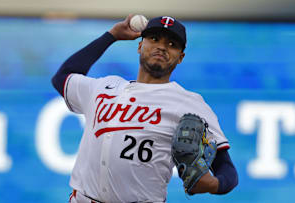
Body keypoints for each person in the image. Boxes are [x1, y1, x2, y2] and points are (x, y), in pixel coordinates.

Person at [52, 14, 238, 203]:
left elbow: (226, 168)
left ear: (180, 57)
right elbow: (62, 77)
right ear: (140, 45)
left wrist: (214, 185)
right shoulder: (105, 87)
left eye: (172, 44)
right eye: (154, 39)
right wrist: (111, 36)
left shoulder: (189, 103)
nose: (162, 47)